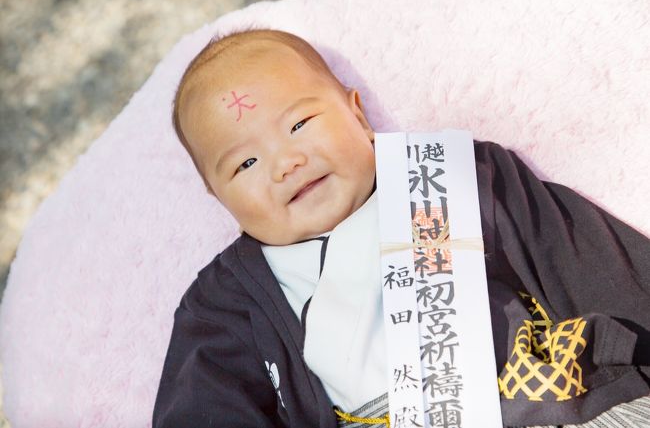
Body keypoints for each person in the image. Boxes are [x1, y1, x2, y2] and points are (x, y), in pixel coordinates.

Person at [152, 29, 650, 427]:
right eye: (246, 164)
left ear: (357, 114)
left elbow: (577, 256)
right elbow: (203, 405)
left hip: (528, 396)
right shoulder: (223, 305)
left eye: (300, 124)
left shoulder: (449, 176)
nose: (286, 162)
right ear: (219, 199)